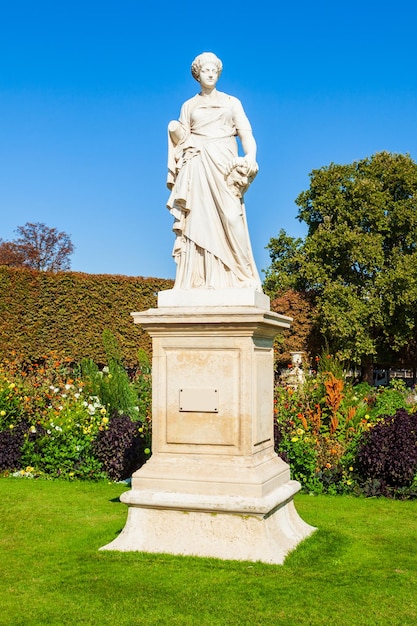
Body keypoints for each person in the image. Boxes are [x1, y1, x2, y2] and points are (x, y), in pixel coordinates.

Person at [167, 52, 262, 291]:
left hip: (225, 164)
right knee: (197, 220)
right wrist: (174, 131)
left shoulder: (232, 102)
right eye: (205, 70)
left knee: (232, 218)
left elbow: (246, 135)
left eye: (214, 70)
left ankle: (242, 275)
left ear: (218, 74)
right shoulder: (188, 106)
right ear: (197, 75)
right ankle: (197, 279)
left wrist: (250, 156)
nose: (210, 74)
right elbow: (183, 138)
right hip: (197, 164)